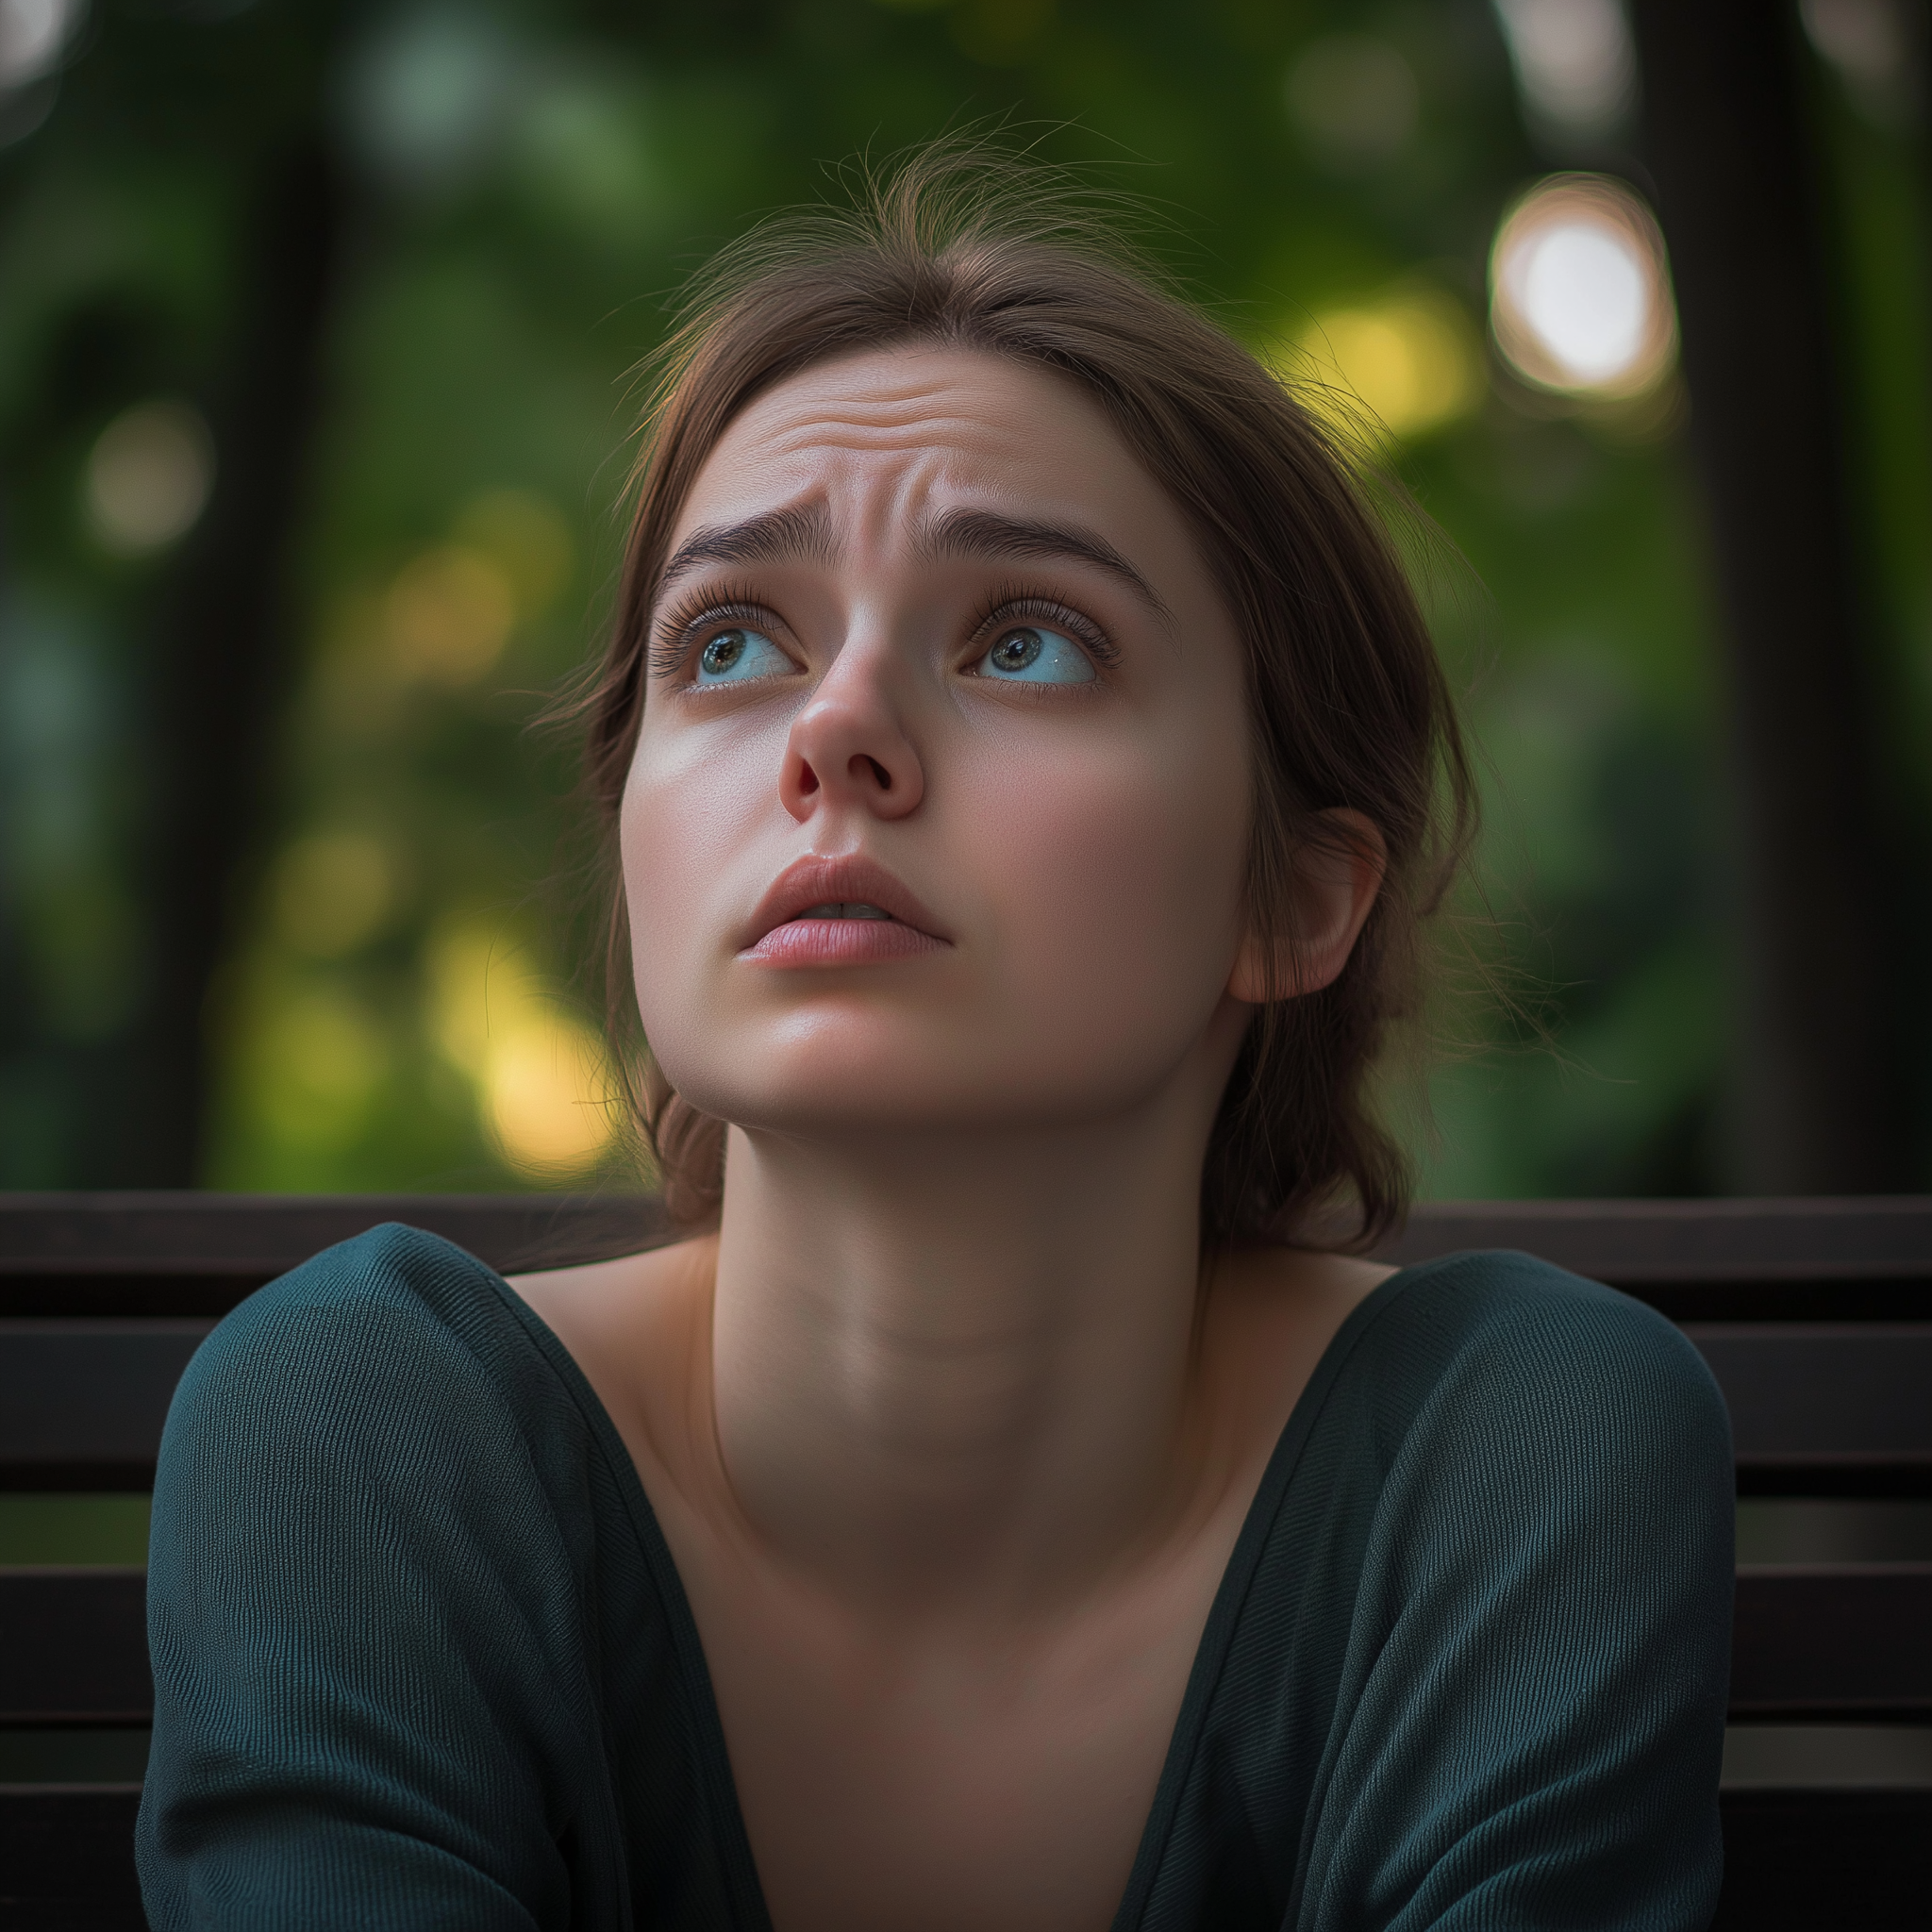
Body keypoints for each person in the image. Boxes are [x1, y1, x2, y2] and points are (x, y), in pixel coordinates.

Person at [136, 146, 1734, 1931]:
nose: (835, 733)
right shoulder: (369, 1439)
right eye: (730, 644)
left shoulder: (1511, 1453)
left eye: (1030, 643)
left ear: (1294, 896)